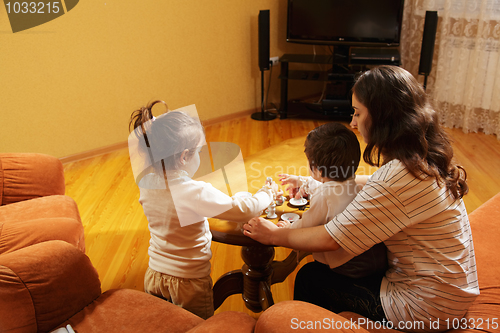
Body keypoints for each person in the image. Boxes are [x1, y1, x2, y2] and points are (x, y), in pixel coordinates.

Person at [243, 66, 479, 332]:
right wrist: (315, 183)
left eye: (357, 112)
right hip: (454, 292)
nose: (353, 123)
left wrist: (274, 235)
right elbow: (366, 184)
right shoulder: (424, 156)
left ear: (382, 116)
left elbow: (331, 238)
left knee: (311, 277)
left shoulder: (395, 177)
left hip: (426, 308)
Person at [128, 100, 278, 319]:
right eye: (198, 150)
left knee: (164, 323)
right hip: (188, 282)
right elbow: (245, 210)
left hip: (154, 275)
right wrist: (267, 192)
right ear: (184, 156)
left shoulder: (147, 182)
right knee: (198, 325)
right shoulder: (194, 192)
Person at [276, 122, 387, 278]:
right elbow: (331, 187)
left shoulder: (324, 196)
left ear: (317, 169)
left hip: (349, 267)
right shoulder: (353, 184)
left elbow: (305, 228)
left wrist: (288, 228)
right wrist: (302, 182)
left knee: (307, 276)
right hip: (373, 257)